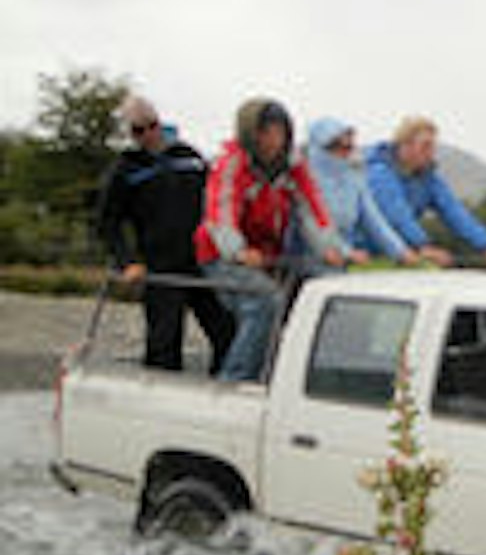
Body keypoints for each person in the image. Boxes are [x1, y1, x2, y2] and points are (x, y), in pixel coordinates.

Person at [195, 98, 343, 381]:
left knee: (330, 280)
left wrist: (329, 247)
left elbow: (313, 209)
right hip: (220, 254)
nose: (273, 140)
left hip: (268, 254)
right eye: (265, 132)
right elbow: (220, 212)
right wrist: (238, 251)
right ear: (250, 134)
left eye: (280, 132)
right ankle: (235, 379)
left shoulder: (293, 166)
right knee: (264, 301)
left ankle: (313, 376)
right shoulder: (231, 163)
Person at [95, 94, 235, 373]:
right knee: (164, 343)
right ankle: (158, 405)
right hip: (160, 268)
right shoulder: (126, 169)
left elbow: (220, 202)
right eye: (138, 130)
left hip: (203, 262)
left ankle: (224, 394)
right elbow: (107, 223)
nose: (148, 134)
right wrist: (128, 261)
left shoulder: (190, 157)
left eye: (152, 125)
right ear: (130, 133)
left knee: (227, 333)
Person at [364, 116, 486, 268]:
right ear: (404, 146)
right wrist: (423, 246)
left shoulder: (428, 179)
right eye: (425, 146)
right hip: (365, 254)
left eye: (433, 147)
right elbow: (397, 215)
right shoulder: (379, 174)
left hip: (402, 254)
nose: (431, 153)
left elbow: (454, 211)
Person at [304, 117, 417, 264]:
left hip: (343, 260)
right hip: (307, 259)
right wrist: (344, 251)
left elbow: (373, 219)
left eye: (348, 147)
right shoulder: (305, 179)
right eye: (336, 146)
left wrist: (400, 251)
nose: (343, 152)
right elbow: (311, 224)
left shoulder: (354, 177)